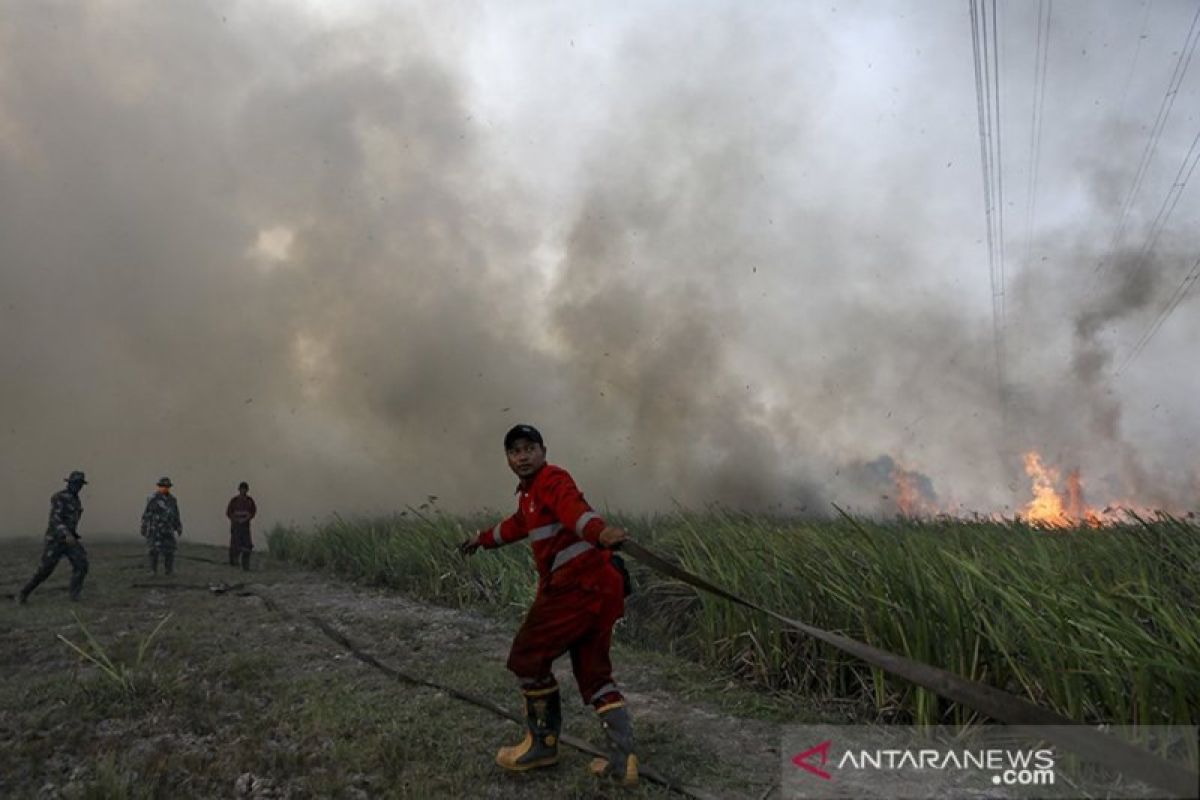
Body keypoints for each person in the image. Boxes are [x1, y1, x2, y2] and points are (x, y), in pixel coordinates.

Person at [460, 424, 637, 785]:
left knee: (528, 658)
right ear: (508, 459)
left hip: (576, 589)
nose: (522, 456)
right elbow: (514, 526)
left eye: (529, 448)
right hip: (600, 590)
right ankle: (623, 765)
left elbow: (575, 511)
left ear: (543, 451)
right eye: (515, 451)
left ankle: (542, 747)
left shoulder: (553, 480)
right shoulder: (528, 497)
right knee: (594, 674)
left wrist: (600, 532)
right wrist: (480, 540)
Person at [17, 471, 90, 604]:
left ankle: (74, 596)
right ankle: (23, 593)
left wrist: (71, 535)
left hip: (70, 540)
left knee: (82, 564)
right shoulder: (59, 497)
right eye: (75, 483)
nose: (78, 486)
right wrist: (65, 533)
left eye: (80, 484)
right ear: (69, 483)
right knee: (44, 570)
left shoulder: (76, 500)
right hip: (56, 539)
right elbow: (55, 519)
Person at [141, 477, 182, 575]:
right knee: (153, 551)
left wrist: (178, 526)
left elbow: (175, 514)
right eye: (163, 486)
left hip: (168, 529)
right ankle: (153, 570)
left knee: (169, 550)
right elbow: (147, 514)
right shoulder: (153, 499)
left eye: (167, 486)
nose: (165, 488)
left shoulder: (172, 500)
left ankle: (169, 570)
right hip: (155, 529)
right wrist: (144, 527)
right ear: (159, 487)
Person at [225, 482, 257, 571]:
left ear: (247, 490)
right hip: (236, 527)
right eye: (242, 489)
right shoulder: (234, 500)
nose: (243, 491)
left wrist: (245, 519)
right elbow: (228, 513)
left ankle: (245, 565)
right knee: (235, 546)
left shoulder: (250, 501)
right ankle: (233, 563)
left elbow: (253, 513)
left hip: (245, 527)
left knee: (247, 547)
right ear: (239, 490)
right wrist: (236, 520)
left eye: (245, 489)